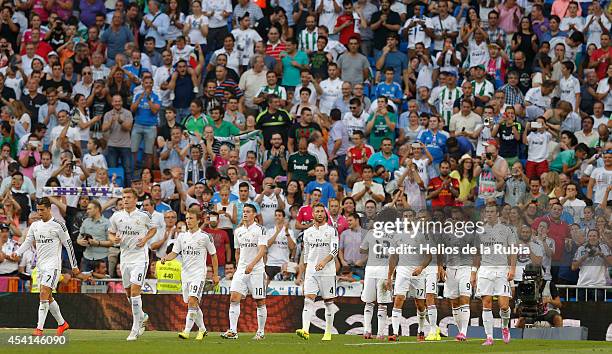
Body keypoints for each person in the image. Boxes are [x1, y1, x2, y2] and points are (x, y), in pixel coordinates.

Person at [10, 197, 80, 336]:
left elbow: (68, 245)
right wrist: (17, 252)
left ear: (49, 209)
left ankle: (39, 329)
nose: (39, 213)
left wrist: (74, 265)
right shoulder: (35, 226)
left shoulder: (58, 225)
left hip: (53, 266)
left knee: (43, 293)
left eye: (42, 210)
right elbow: (28, 242)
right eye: (38, 210)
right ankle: (62, 323)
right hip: (40, 266)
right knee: (47, 297)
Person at [161, 209, 219, 340]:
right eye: (187, 218)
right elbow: (175, 253)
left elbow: (213, 256)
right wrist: (166, 258)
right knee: (192, 303)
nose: (188, 221)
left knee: (193, 300)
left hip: (198, 274)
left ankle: (186, 331)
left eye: (191, 218)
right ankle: (203, 329)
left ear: (198, 220)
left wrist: (215, 275)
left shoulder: (205, 237)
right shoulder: (182, 236)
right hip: (185, 274)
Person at [108, 188, 157, 341]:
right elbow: (111, 233)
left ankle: (135, 328)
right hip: (125, 258)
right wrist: (113, 239)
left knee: (135, 291)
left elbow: (153, 229)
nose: (126, 200)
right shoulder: (116, 216)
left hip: (140, 258)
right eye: (124, 197)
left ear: (136, 200)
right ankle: (142, 316)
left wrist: (145, 239)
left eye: (129, 197)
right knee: (129, 293)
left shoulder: (143, 216)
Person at [221, 204, 267, 340]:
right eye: (244, 211)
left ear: (254, 214)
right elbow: (237, 250)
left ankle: (260, 332)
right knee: (234, 298)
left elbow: (262, 250)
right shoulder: (238, 231)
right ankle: (233, 331)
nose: (245, 214)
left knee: (260, 301)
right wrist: (238, 267)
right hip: (241, 270)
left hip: (256, 270)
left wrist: (252, 265)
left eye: (248, 212)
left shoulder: (261, 230)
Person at [474, 204, 517, 346]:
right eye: (487, 212)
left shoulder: (506, 230)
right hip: (485, 270)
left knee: (504, 306)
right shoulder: (480, 231)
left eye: (492, 211)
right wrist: (474, 272)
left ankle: (505, 327)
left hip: (501, 270)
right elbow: (476, 254)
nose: (490, 214)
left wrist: (512, 269)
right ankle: (489, 337)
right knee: (486, 304)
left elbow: (513, 251)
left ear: (498, 214)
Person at [296, 203, 338, 341]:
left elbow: (335, 250)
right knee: (308, 300)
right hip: (311, 272)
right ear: (312, 214)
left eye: (322, 211)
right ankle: (305, 330)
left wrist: (324, 262)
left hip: (328, 272)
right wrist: (304, 274)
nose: (319, 213)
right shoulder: (307, 233)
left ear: (325, 214)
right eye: (317, 211)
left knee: (329, 302)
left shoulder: (332, 231)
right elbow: (306, 255)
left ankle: (328, 332)